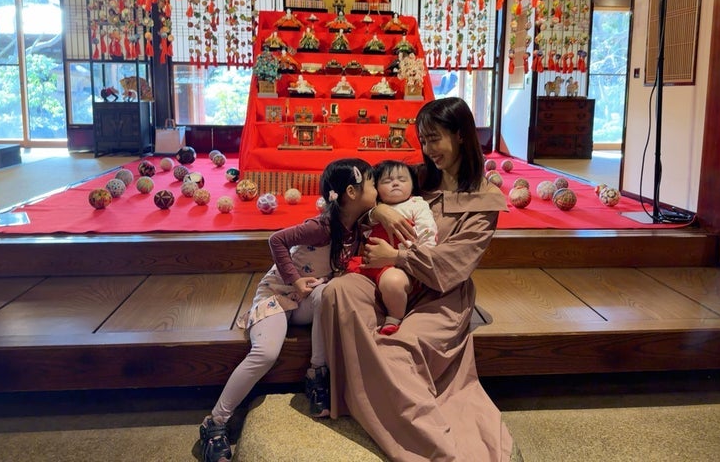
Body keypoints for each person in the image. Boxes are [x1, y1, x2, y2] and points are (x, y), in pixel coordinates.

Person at [321, 97, 518, 462]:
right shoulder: (415, 177)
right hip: (386, 277)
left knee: (399, 351)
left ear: (460, 135)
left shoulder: (485, 199)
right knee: (338, 291)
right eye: (423, 140)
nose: (428, 149)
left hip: (439, 293)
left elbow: (455, 263)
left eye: (435, 139)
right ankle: (357, 391)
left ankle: (436, 449)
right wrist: (379, 210)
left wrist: (398, 256)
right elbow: (360, 199)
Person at [198, 158, 377, 462]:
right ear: (351, 192)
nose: (377, 189)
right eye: (372, 183)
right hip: (278, 295)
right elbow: (276, 239)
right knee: (266, 354)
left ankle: (316, 375)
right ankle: (215, 421)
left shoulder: (356, 225)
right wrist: (294, 279)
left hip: (308, 299)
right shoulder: (321, 227)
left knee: (328, 293)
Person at [346, 160, 437, 335]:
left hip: (398, 264)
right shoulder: (373, 206)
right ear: (376, 188)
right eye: (387, 181)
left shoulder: (416, 204)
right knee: (344, 273)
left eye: (402, 179)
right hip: (371, 260)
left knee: (392, 282)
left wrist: (419, 254)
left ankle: (394, 316)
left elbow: (427, 231)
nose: (395, 183)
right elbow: (360, 226)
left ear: (412, 185)